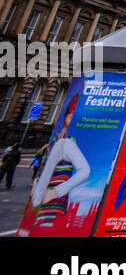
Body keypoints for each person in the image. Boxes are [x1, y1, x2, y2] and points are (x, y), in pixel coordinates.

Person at [30, 94, 92, 229]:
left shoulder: (68, 142)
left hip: (53, 205)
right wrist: (36, 182)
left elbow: (85, 171)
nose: (71, 116)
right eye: (70, 113)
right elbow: (46, 168)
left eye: (74, 114)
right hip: (42, 201)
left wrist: (56, 192)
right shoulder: (57, 139)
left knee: (46, 230)